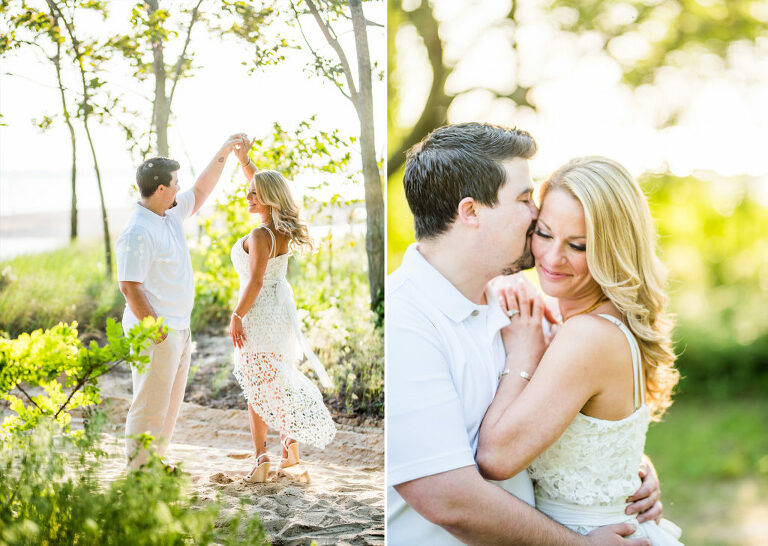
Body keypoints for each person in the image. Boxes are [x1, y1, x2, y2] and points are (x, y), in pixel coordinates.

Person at [387, 122, 661, 545]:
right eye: (523, 198)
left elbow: (579, 416)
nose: (535, 213)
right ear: (471, 211)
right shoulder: (404, 320)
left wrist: (628, 467)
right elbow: (446, 497)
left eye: (578, 244)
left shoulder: (520, 303)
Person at [475, 157, 683, 544]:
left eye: (578, 245)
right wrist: (631, 467)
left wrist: (523, 354)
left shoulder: (588, 335)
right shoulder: (579, 316)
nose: (552, 259)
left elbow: (496, 458)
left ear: (614, 249)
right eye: (544, 233)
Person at [117, 134, 244, 470]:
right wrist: (156, 329)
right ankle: (140, 473)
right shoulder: (136, 232)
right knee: (148, 405)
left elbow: (201, 191)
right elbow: (130, 286)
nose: (179, 188)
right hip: (156, 332)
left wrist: (223, 153)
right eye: (175, 183)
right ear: (160, 189)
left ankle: (154, 462)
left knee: (169, 405)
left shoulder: (170, 214)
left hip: (179, 329)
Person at [228, 136, 336, 483]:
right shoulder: (283, 229)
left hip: (259, 313)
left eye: (254, 194)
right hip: (280, 314)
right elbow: (264, 184)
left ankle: (261, 460)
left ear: (268, 199)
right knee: (276, 383)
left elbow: (255, 282)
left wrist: (236, 315)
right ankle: (289, 450)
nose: (248, 196)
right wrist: (246, 161)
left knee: (258, 389)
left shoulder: (261, 234)